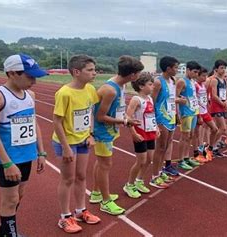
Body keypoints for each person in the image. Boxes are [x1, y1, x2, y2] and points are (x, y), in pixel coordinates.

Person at [0, 54, 48, 237]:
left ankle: (3, 232)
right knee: (10, 199)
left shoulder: (31, 95)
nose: (34, 81)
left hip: (26, 154)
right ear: (12, 73)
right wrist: (7, 163)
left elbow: (33, 123)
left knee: (18, 195)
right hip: (7, 157)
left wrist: (41, 152)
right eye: (30, 77)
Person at [89, 56, 144, 215]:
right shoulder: (110, 90)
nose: (139, 77)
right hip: (102, 132)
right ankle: (106, 202)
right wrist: (123, 122)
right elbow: (100, 116)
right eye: (138, 74)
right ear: (133, 75)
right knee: (105, 165)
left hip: (110, 130)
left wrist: (125, 119)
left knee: (101, 163)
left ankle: (96, 193)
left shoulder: (120, 85)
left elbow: (118, 109)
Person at [52, 55, 101, 233]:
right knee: (68, 179)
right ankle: (65, 217)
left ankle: (81, 211)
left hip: (83, 140)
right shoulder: (64, 93)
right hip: (66, 142)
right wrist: (65, 147)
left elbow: (91, 113)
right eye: (90, 70)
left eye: (94, 70)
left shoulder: (90, 89)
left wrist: (90, 134)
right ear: (76, 72)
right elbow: (57, 121)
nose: (94, 73)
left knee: (81, 176)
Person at [124, 72, 160, 198]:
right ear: (141, 86)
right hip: (140, 134)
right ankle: (129, 184)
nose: (153, 87)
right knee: (141, 161)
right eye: (150, 84)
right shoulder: (136, 100)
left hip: (150, 133)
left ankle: (139, 180)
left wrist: (156, 128)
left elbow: (151, 115)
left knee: (149, 159)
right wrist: (133, 133)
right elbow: (128, 117)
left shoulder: (149, 99)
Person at [151, 56, 180, 187]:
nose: (177, 70)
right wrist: (155, 121)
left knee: (166, 146)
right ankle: (154, 176)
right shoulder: (158, 82)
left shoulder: (173, 81)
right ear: (168, 68)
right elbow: (152, 101)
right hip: (161, 118)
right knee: (160, 147)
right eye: (175, 68)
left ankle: (160, 171)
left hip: (171, 117)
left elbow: (172, 99)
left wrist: (176, 114)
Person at [176, 61, 202, 170]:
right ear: (188, 70)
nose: (196, 74)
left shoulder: (192, 81)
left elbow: (194, 97)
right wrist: (178, 114)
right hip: (186, 113)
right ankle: (181, 160)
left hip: (193, 111)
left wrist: (198, 111)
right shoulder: (182, 81)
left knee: (190, 135)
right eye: (195, 72)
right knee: (184, 136)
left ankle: (186, 157)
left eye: (197, 72)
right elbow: (174, 98)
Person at [207, 60, 227, 157]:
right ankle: (210, 147)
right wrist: (223, 103)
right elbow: (214, 95)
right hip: (216, 106)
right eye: (221, 68)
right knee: (223, 128)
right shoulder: (214, 80)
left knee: (216, 129)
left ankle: (213, 147)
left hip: (223, 105)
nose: (223, 70)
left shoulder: (224, 80)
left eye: (224, 68)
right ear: (216, 69)